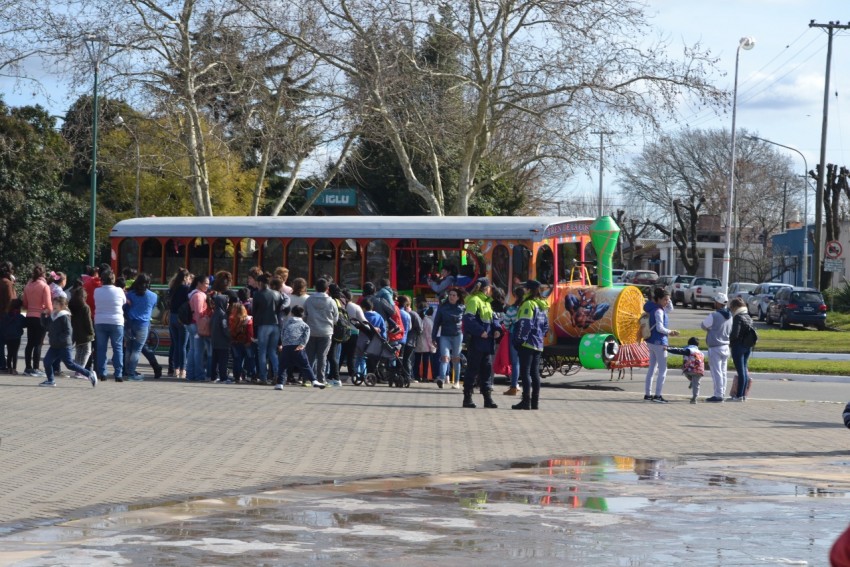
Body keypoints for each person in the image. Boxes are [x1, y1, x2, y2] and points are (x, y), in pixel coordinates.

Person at [38, 296, 97, 387]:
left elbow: (68, 331)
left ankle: (89, 374)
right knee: (47, 361)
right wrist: (43, 315)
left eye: (57, 304)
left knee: (69, 364)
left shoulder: (64, 316)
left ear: (63, 306)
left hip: (64, 345)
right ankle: (51, 380)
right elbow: (45, 325)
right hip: (54, 345)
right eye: (54, 303)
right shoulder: (53, 315)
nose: (54, 305)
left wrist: (60, 339)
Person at [461, 277, 501, 409]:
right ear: (486, 288)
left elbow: (493, 318)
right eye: (490, 287)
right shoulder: (474, 300)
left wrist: (497, 329)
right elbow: (468, 319)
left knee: (486, 371)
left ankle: (487, 399)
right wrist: (480, 332)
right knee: (472, 369)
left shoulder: (486, 302)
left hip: (487, 342)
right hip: (477, 341)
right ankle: (467, 398)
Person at [511, 280, 549, 410]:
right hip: (538, 344)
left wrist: (519, 340)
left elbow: (525, 324)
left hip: (527, 344)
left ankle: (526, 401)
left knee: (525, 372)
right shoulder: (542, 305)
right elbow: (546, 326)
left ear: (528, 290)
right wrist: (539, 337)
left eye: (525, 288)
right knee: (535, 373)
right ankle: (535, 403)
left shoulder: (528, 304)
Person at [642, 287, 679, 403]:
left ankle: (648, 394)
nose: (667, 302)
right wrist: (670, 332)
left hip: (651, 342)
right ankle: (658, 395)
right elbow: (660, 328)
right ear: (658, 299)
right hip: (659, 342)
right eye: (665, 300)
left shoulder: (654, 308)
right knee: (663, 369)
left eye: (668, 299)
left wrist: (667, 294)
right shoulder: (659, 311)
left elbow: (670, 308)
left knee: (652, 368)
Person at [276, 305, 325, 390]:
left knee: (283, 366)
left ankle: (280, 383)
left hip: (287, 347)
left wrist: (283, 344)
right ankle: (314, 381)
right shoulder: (304, 325)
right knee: (305, 365)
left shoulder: (286, 323)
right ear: (303, 315)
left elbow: (282, 334)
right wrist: (302, 345)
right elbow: (306, 336)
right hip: (298, 347)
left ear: (291, 313)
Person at [124, 273, 159, 381]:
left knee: (129, 348)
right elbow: (153, 307)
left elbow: (125, 307)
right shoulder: (153, 296)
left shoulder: (130, 294)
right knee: (137, 350)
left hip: (129, 323)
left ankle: (127, 371)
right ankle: (131, 374)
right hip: (143, 324)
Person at [304, 278, 338, 386]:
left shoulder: (309, 300)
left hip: (312, 331)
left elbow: (305, 315)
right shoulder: (332, 301)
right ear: (327, 289)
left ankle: (308, 379)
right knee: (322, 357)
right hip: (326, 332)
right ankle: (321, 379)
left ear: (315, 288)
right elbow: (336, 318)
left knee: (310, 356)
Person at [94, 269, 127, 382]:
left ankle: (102, 373)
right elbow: (123, 302)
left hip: (100, 321)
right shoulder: (119, 291)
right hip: (116, 321)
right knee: (118, 348)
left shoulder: (97, 291)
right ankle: (118, 374)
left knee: (101, 348)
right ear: (113, 279)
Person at [21, 264, 53, 377]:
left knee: (30, 343)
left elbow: (24, 303)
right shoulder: (44, 286)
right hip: (40, 317)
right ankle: (36, 367)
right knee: (38, 344)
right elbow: (49, 306)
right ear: (43, 274)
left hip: (29, 316)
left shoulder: (28, 285)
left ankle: (27, 367)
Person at [701, 292, 732, 403]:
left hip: (715, 347)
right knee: (723, 372)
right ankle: (722, 392)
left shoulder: (714, 315)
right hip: (726, 346)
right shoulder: (730, 316)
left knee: (716, 372)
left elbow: (703, 325)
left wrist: (711, 329)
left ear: (718, 303)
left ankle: (718, 395)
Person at [431, 286, 465, 389]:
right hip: (445, 335)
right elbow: (436, 323)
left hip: (457, 335)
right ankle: (441, 379)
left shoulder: (462, 308)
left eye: (454, 295)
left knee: (456, 358)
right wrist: (433, 337)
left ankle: (456, 382)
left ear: (458, 297)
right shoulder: (442, 307)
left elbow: (467, 323)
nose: (451, 297)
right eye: (450, 295)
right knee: (444, 357)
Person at [252, 273, 283, 384]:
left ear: (260, 283)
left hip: (263, 325)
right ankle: (278, 375)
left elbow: (254, 312)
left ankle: (263, 377)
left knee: (262, 352)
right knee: (272, 351)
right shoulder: (277, 294)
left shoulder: (257, 295)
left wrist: (254, 331)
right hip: (276, 325)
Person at [728, 296, 755, 402]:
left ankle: (739, 395)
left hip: (738, 347)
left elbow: (735, 334)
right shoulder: (748, 316)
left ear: (735, 307)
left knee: (741, 372)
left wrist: (730, 342)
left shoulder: (738, 317)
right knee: (744, 370)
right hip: (747, 346)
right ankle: (743, 395)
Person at [186, 274, 212, 382]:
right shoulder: (199, 296)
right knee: (198, 351)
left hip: (192, 324)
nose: (207, 286)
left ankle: (190, 374)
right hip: (197, 325)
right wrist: (200, 327)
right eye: (205, 283)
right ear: (199, 283)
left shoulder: (193, 294)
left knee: (193, 350)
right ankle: (198, 375)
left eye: (208, 284)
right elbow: (198, 313)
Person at [667, 337, 705, 404]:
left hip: (689, 369)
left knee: (685, 372)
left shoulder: (689, 349)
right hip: (699, 370)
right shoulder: (701, 352)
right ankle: (694, 398)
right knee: (697, 384)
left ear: (689, 343)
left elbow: (678, 351)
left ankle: (692, 381)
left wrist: (668, 349)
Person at [502, 286, 525, 396]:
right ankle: (526, 386)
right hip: (528, 337)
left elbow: (506, 323)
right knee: (526, 362)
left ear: (515, 296)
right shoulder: (527, 307)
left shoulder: (512, 309)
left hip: (514, 336)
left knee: (515, 362)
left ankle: (514, 386)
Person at [168, 268, 191, 378]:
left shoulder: (173, 287)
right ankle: (183, 369)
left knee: (176, 345)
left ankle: (175, 369)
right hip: (181, 318)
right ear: (186, 277)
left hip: (172, 317)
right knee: (183, 345)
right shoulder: (186, 289)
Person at [68, 285, 94, 379]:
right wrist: (92, 332)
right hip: (85, 334)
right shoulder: (85, 307)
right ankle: (80, 371)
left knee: (79, 352)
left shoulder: (72, 306)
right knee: (87, 351)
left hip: (76, 332)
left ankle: (77, 369)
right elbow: (88, 321)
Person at [210, 292, 232, 383]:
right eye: (227, 302)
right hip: (223, 342)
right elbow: (225, 328)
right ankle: (224, 377)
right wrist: (230, 337)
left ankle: (213, 376)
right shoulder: (223, 315)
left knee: (214, 360)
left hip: (215, 341)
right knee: (223, 360)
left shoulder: (214, 313)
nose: (228, 304)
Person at [0, 261, 17, 373]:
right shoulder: (7, 283)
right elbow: (11, 300)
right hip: (6, 315)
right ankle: (4, 364)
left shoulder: (2, 281)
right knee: (8, 341)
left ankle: (1, 363)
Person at [2, 298, 25, 374]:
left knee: (9, 352)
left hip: (8, 336)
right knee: (15, 353)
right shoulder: (20, 316)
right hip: (16, 337)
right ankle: (14, 369)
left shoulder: (6, 315)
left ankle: (9, 368)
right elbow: (24, 324)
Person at [414, 304, 435, 382]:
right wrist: (432, 346)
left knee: (417, 361)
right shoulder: (428, 321)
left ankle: (416, 376)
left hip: (417, 343)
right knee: (426, 362)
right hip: (426, 344)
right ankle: (425, 377)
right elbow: (429, 335)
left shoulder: (417, 318)